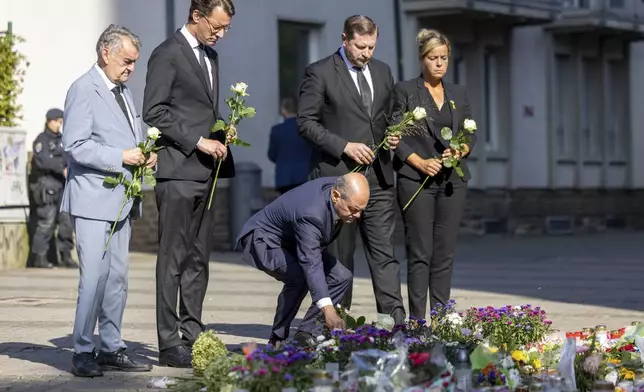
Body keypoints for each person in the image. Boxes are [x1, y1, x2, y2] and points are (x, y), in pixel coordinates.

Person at [143, 0, 235, 368]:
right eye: (217, 26)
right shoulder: (167, 53)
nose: (221, 34)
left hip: (206, 173)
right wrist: (198, 141)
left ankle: (192, 332)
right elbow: (155, 111)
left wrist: (221, 130)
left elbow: (199, 111)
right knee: (173, 259)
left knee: (199, 259)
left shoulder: (210, 57)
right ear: (196, 16)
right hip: (178, 171)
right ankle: (168, 343)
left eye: (227, 28)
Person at [297, 15, 405, 323]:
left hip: (380, 179)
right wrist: (343, 145)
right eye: (360, 46)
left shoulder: (383, 71)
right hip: (339, 180)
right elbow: (305, 123)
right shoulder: (320, 73)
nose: (366, 53)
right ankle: (337, 329)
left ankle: (395, 327)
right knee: (339, 260)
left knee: (385, 257)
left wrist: (394, 129)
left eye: (371, 46)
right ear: (345, 40)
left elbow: (390, 112)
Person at [61, 24, 154, 377]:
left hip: (121, 200)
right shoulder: (83, 89)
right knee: (95, 278)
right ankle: (82, 350)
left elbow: (129, 135)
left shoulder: (123, 91)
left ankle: (111, 346)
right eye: (127, 60)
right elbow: (75, 145)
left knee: (117, 278)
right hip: (92, 199)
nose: (131, 68)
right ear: (106, 52)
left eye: (134, 62)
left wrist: (145, 152)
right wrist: (123, 156)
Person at [392, 29, 477, 319]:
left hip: (452, 182)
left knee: (444, 255)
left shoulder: (458, 93)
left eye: (444, 58)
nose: (439, 64)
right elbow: (395, 135)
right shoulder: (405, 91)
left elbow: (469, 132)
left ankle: (440, 319)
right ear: (421, 59)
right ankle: (417, 322)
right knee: (420, 253)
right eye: (433, 58)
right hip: (416, 181)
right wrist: (420, 162)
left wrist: (460, 150)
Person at [235, 173, 369, 347]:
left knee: (341, 276)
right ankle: (278, 338)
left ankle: (306, 334)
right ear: (336, 196)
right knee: (298, 277)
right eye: (353, 209)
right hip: (265, 240)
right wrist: (328, 310)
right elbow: (311, 263)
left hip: (294, 240)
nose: (358, 215)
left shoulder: (340, 190)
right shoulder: (312, 214)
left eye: (361, 210)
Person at [29, 108, 76, 269]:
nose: (59, 125)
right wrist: (60, 168)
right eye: (57, 122)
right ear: (49, 121)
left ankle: (66, 256)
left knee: (66, 222)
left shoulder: (63, 140)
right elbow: (43, 162)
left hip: (63, 187)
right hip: (47, 186)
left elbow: (69, 157)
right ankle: (39, 258)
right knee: (46, 223)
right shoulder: (41, 141)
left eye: (61, 122)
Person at [267, 97, 313, 195]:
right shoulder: (307, 129)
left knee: (286, 208)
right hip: (304, 176)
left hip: (284, 178)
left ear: (283, 110)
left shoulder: (276, 130)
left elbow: (271, 155)